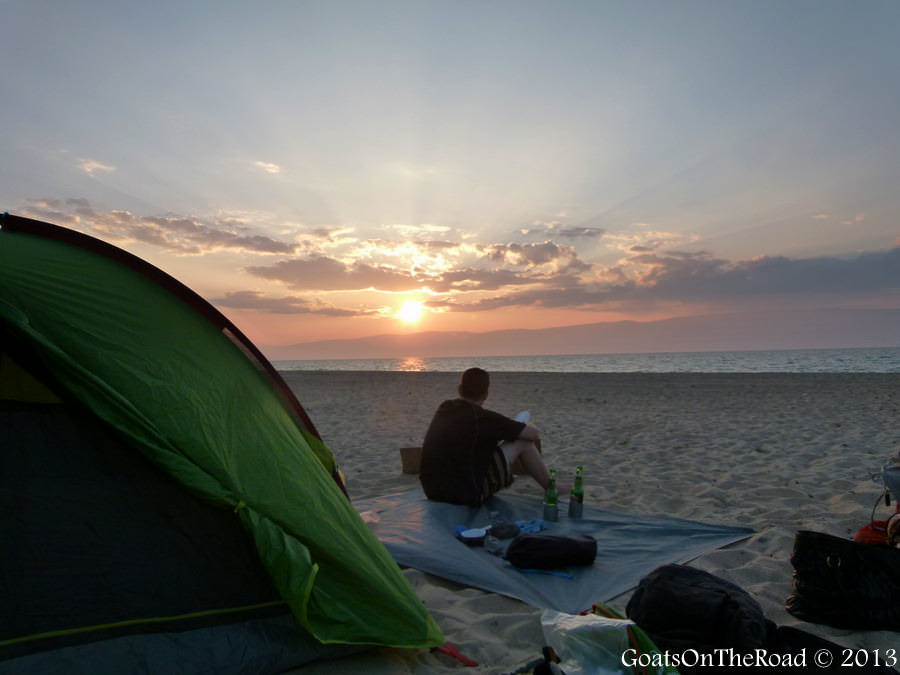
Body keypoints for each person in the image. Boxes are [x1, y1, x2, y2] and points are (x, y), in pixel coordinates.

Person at [419, 367, 551, 506]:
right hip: (464, 495)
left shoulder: (445, 407)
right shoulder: (484, 418)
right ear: (486, 394)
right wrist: (527, 424)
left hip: (432, 490)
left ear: (459, 389)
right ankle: (551, 487)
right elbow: (533, 434)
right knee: (523, 442)